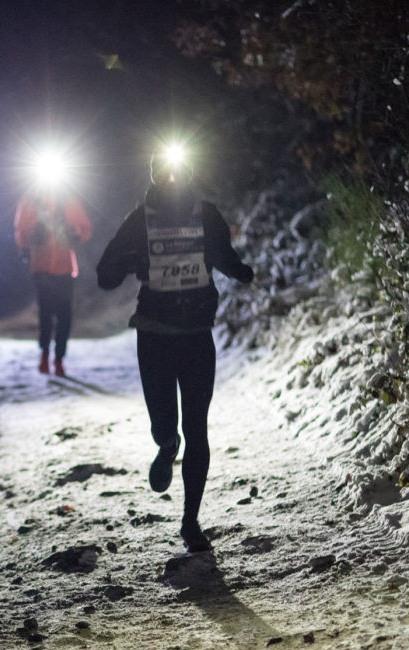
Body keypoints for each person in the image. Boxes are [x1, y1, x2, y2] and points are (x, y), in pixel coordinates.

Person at [95, 148, 254, 553]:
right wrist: (131, 258)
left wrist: (240, 271)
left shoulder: (205, 214)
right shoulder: (140, 220)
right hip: (155, 336)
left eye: (175, 173)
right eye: (164, 174)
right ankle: (166, 445)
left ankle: (191, 522)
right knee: (165, 423)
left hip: (196, 335)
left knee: (197, 427)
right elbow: (105, 275)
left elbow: (224, 258)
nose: (170, 181)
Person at [14, 190, 93, 377]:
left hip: (64, 267)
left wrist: (75, 234)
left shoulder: (68, 201)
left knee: (65, 315)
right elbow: (20, 230)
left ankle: (59, 358)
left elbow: (85, 228)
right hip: (41, 267)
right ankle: (44, 354)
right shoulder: (30, 202)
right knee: (45, 313)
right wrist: (28, 242)